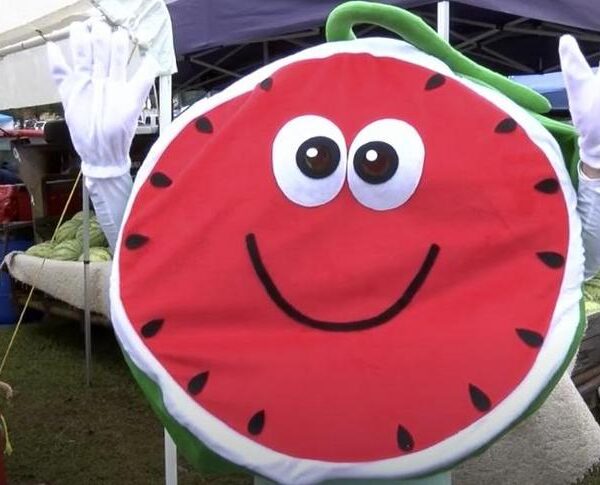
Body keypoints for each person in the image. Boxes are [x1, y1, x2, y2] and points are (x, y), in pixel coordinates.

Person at [47, 21, 600, 485]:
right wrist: (108, 175)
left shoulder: (451, 211)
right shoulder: (262, 221)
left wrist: (594, 173)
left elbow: (561, 269)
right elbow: (166, 278)